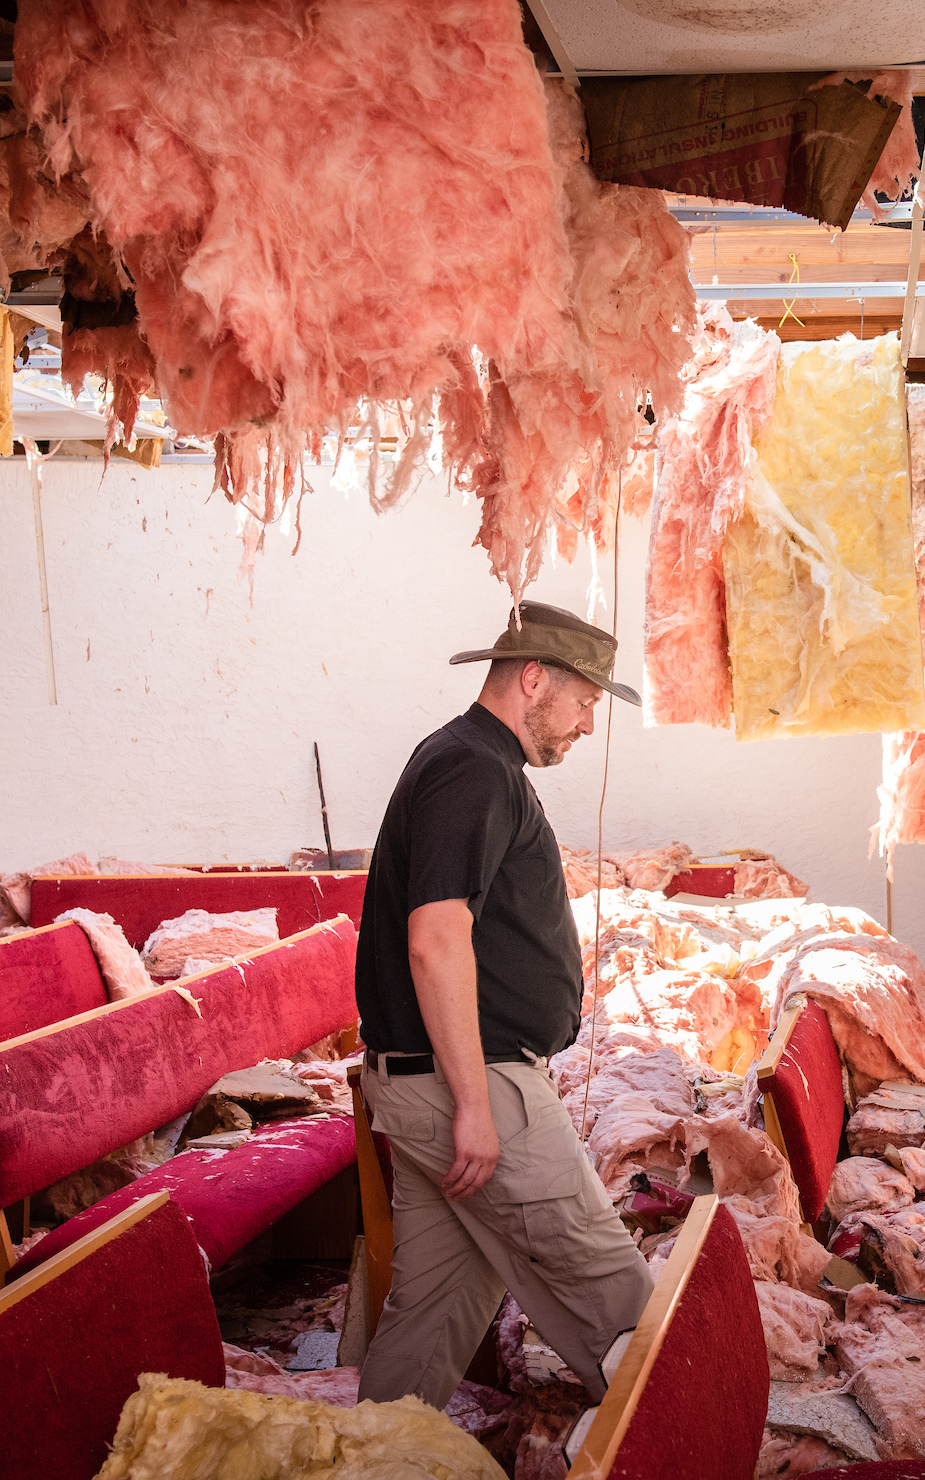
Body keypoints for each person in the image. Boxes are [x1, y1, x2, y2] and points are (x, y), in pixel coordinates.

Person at [354, 601, 653, 1410]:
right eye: (587, 702)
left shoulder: (467, 762)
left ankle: (368, 1459)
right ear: (533, 680)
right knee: (613, 1291)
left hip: (432, 1080)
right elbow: (436, 939)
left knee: (437, 1310)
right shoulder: (472, 769)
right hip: (468, 1080)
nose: (590, 725)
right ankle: (677, 1444)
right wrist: (476, 1105)